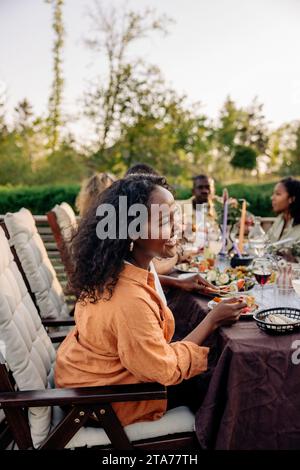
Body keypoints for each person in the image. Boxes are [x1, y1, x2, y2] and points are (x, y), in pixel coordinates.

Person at [55, 174, 246, 426]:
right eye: (165, 220)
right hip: (101, 402)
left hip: (91, 380)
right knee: (227, 384)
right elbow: (164, 370)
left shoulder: (111, 270)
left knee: (217, 367)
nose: (177, 227)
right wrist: (211, 320)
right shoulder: (129, 299)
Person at [268, 177, 300, 261]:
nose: (272, 198)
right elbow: (267, 243)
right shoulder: (280, 219)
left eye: (278, 194)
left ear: (291, 199)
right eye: (273, 194)